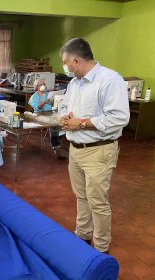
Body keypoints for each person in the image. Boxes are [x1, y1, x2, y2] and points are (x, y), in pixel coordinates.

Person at [59, 38, 130, 254]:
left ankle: (101, 248)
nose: (65, 67)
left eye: (65, 62)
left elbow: (119, 118)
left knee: (97, 201)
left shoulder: (109, 80)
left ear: (76, 61)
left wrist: (81, 123)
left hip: (99, 150)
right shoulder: (74, 83)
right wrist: (64, 116)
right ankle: (83, 235)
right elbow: (64, 105)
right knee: (82, 196)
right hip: (76, 149)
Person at [28, 79, 68, 160]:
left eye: (44, 84)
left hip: (50, 113)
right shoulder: (34, 97)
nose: (43, 86)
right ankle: (56, 147)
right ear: (36, 87)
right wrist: (44, 102)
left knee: (62, 121)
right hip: (39, 115)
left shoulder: (47, 94)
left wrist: (57, 99)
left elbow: (54, 103)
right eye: (41, 84)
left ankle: (58, 142)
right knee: (54, 125)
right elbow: (37, 107)